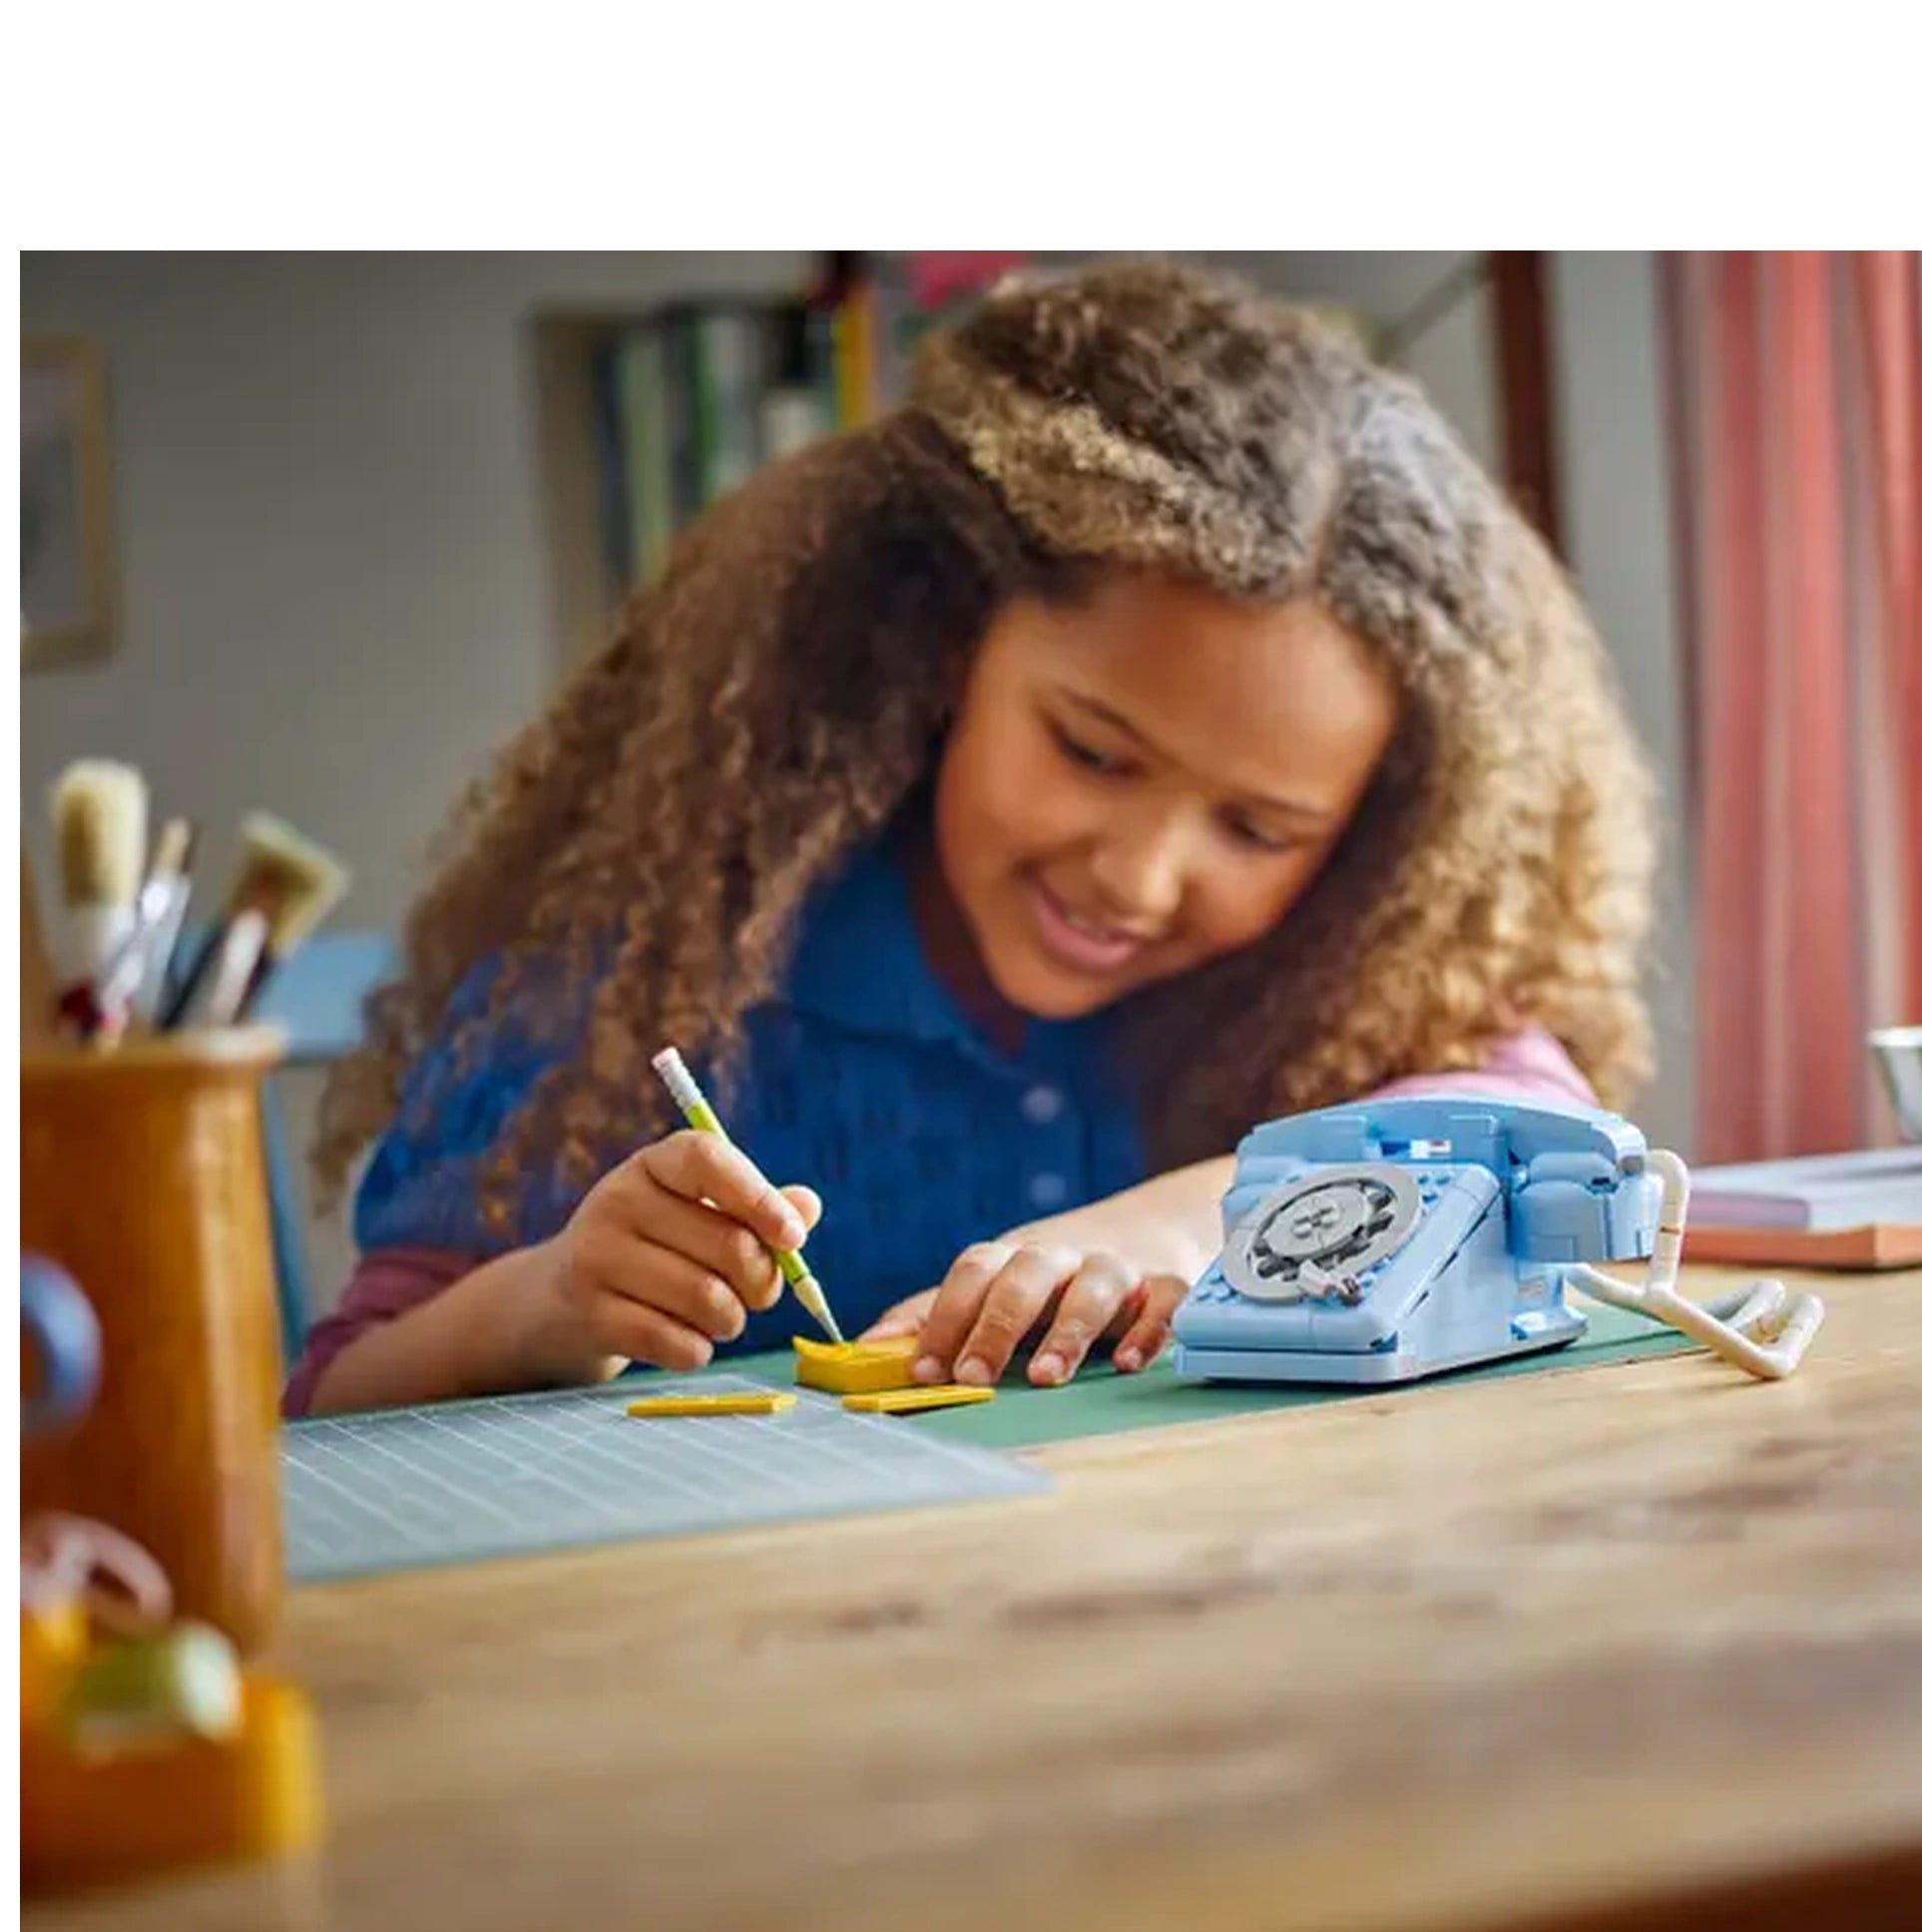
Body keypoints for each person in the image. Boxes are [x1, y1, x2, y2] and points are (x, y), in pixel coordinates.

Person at [292, 261, 1657, 1416]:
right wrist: (552, 1302)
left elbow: (1539, 1129)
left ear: (1374, 841)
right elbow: (337, 1405)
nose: (1138, 874)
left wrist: (1188, 1223)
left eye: (1258, 826)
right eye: (1091, 752)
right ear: (940, 651)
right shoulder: (660, 968)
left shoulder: (1350, 965)